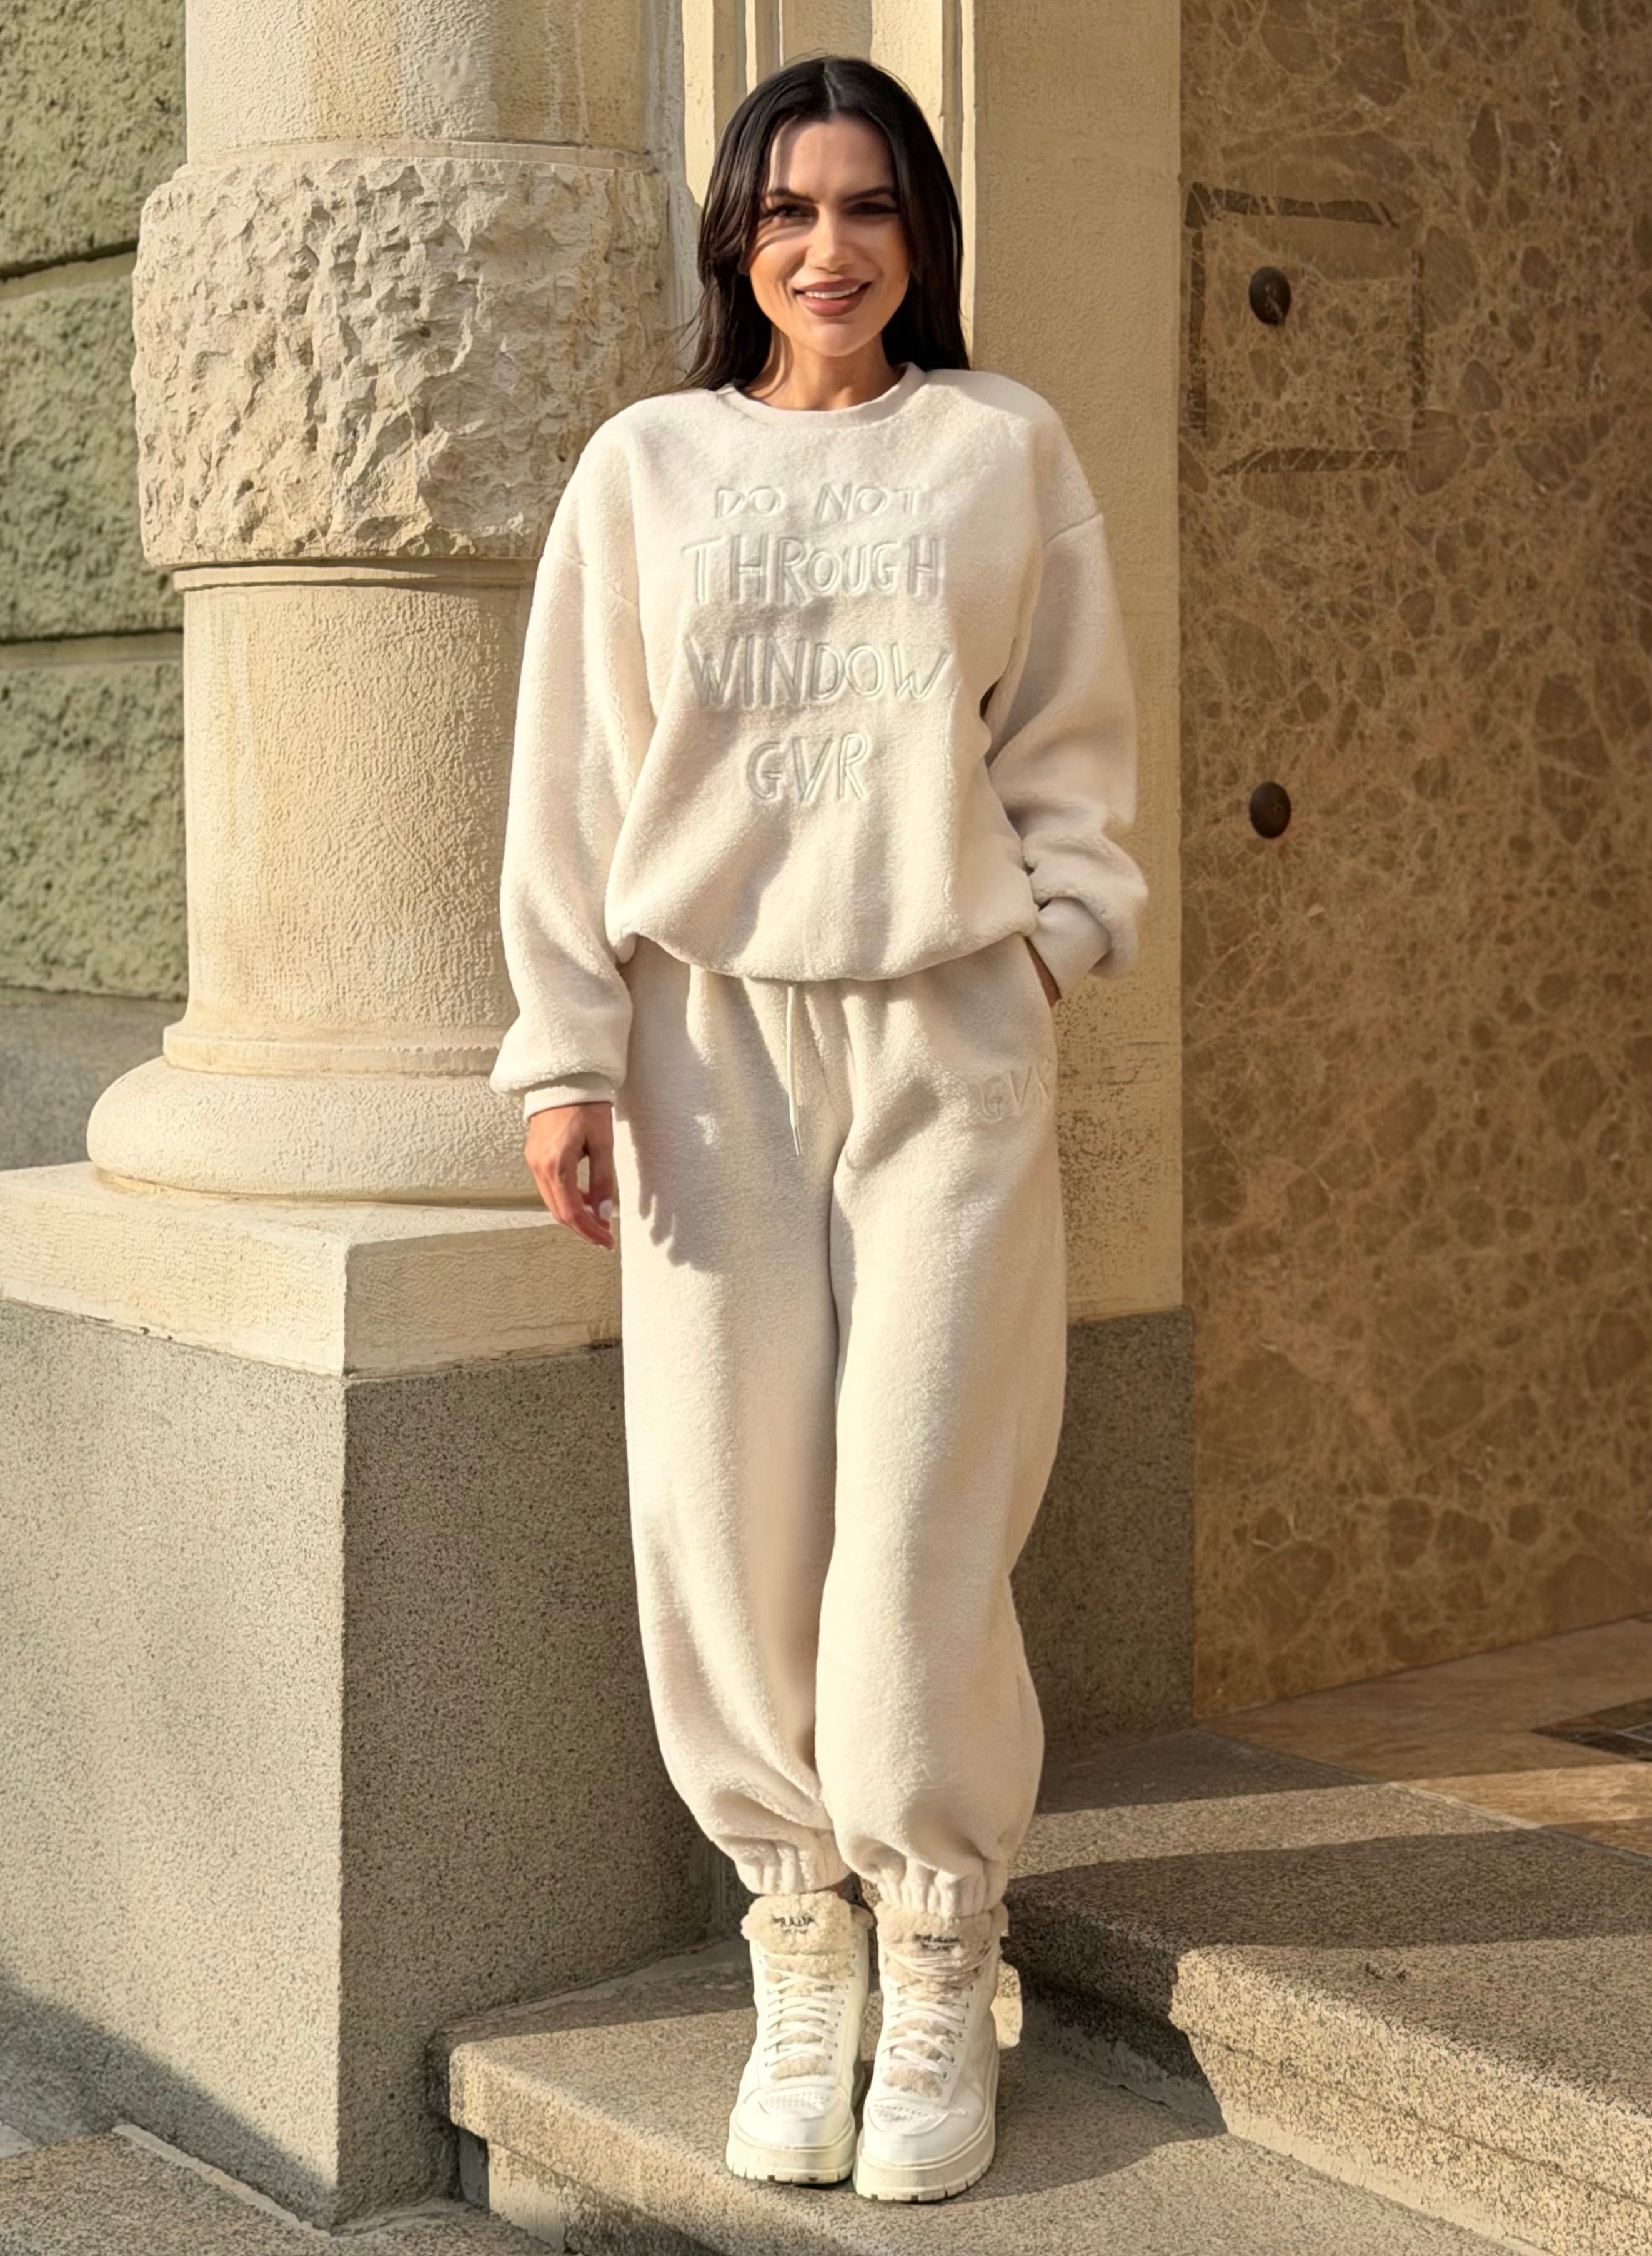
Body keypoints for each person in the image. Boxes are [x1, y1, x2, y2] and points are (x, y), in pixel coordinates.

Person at [489, 52, 1148, 2205]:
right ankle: (803, 1944)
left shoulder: (997, 444)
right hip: (703, 1047)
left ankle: (940, 1945)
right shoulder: (647, 467)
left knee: (923, 1511)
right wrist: (565, 1054)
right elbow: (572, 782)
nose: (829, 247)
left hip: (945, 1032)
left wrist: (1049, 936)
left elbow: (1070, 736)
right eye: (787, 210)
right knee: (723, 1508)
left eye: (868, 207)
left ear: (919, 235)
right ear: (736, 240)